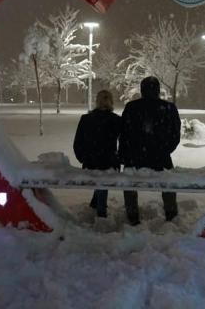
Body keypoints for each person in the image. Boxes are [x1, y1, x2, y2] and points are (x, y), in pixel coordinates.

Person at [119, 76, 181, 225]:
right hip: (160, 156)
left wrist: (125, 155)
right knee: (168, 184)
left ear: (142, 90)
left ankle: (132, 215)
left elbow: (124, 134)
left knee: (130, 185)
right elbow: (175, 134)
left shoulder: (132, 107)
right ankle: (171, 214)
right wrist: (165, 149)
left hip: (135, 157)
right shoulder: (168, 108)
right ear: (158, 90)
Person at [73, 90, 122, 218]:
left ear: (97, 101)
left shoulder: (86, 119)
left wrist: (83, 158)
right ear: (111, 102)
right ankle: (101, 211)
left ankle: (95, 204)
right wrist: (118, 159)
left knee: (100, 173)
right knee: (104, 173)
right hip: (109, 162)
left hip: (90, 162)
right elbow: (124, 142)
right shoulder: (116, 120)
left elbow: (77, 143)